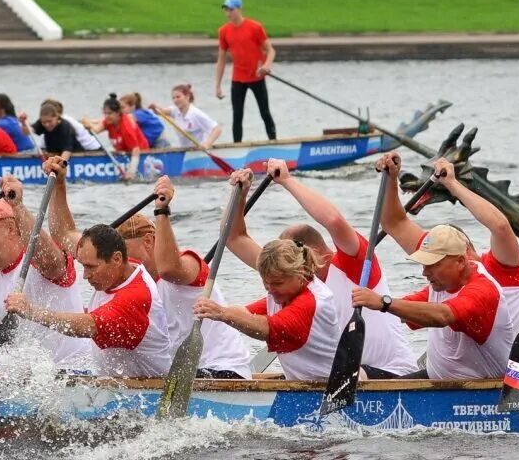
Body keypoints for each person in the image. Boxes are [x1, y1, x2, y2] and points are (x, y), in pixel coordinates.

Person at [378, 153, 519, 376]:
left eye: (437, 261)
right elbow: (394, 223)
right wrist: (391, 178)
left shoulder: (503, 268)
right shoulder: (440, 262)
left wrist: (452, 184)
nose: (428, 268)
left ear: (461, 256)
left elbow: (500, 227)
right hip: (475, 371)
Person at [224, 162, 416, 377]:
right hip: (333, 377)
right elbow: (234, 239)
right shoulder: (288, 276)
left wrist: (287, 181)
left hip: (389, 374)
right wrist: (238, 196)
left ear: (314, 255)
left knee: (350, 373)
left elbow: (333, 221)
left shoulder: (353, 266)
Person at [5, 157, 172, 378]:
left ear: (115, 259)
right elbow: (62, 232)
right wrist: (59, 184)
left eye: (91, 268)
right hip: (115, 384)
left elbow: (87, 326)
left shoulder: (136, 296)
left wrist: (31, 311)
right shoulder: (114, 264)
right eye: (83, 265)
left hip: (147, 393)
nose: (85, 275)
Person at [115, 177, 252, 378]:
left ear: (148, 241)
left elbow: (169, 269)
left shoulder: (189, 264)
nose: (122, 261)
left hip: (223, 369)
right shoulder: (139, 287)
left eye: (125, 252)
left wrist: (161, 211)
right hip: (184, 375)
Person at [0, 175, 95, 366]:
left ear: (10, 228)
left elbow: (48, 260)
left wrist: (17, 207)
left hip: (77, 371)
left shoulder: (40, 260)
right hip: (24, 381)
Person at [354, 223, 515, 381]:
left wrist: (384, 303)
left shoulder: (482, 291)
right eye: (424, 265)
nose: (424, 272)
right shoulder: (443, 283)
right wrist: (365, 304)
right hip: (442, 381)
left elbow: (442, 316)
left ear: (459, 262)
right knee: (360, 377)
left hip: (484, 389)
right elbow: (405, 308)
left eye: (432, 265)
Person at [194, 236, 341, 381]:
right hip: (305, 384)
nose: (270, 290)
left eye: (277, 283)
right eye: (266, 283)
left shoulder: (311, 302)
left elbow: (267, 328)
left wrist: (222, 313)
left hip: (331, 388)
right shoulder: (284, 294)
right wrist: (207, 312)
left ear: (300, 273)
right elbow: (244, 314)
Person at [214, 0, 277, 143]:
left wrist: (267, 65)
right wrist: (217, 85)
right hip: (238, 79)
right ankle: (237, 147)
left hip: (256, 76)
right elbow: (221, 58)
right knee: (237, 115)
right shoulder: (223, 31)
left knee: (264, 112)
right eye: (226, 10)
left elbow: (271, 50)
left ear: (239, 9)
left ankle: (274, 141)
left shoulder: (255, 27)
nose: (228, 13)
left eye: (231, 9)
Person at [83, 93, 148, 178]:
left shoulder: (126, 128)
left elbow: (136, 150)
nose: (106, 116)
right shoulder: (108, 121)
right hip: (124, 152)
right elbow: (96, 130)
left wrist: (131, 172)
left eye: (109, 113)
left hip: (140, 154)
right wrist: (87, 123)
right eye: (105, 113)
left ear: (118, 113)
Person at [152, 84, 222, 148]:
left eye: (178, 97)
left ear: (187, 97)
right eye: (173, 98)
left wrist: (207, 144)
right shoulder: (175, 110)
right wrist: (154, 108)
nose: (175, 100)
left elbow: (217, 129)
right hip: (184, 150)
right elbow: (161, 111)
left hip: (198, 151)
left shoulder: (196, 114)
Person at [22, 99, 102, 153]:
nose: (46, 123)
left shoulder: (66, 122)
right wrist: (23, 122)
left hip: (91, 150)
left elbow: (67, 148)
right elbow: (30, 132)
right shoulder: (48, 122)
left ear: (55, 113)